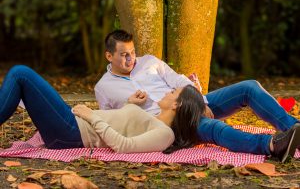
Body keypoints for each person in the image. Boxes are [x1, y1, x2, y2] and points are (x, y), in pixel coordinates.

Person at [94, 29, 300, 162]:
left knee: (249, 87)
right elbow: (112, 121)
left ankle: (294, 131)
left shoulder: (149, 61)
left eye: (132, 51)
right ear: (109, 55)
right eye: (124, 55)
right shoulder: (104, 87)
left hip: (191, 101)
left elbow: (180, 81)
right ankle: (272, 145)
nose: (131, 59)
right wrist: (130, 104)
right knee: (214, 128)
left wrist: (199, 102)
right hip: (168, 123)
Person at [0, 65, 206, 153]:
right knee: (22, 77)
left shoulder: (166, 134)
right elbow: (122, 124)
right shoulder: (154, 118)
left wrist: (91, 116)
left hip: (71, 133)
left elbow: (123, 145)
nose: (169, 91)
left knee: (21, 74)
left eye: (173, 92)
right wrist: (130, 105)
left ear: (176, 104)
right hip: (72, 124)